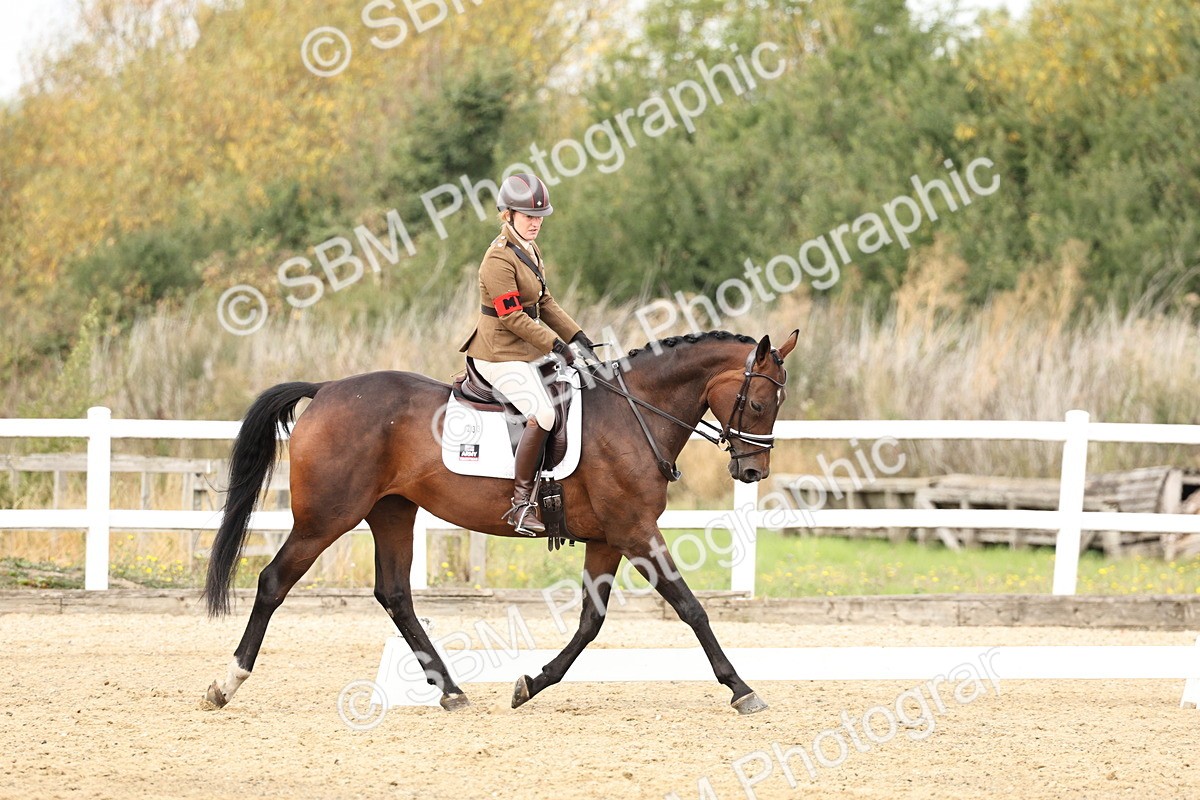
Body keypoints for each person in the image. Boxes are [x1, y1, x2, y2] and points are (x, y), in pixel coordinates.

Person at [459, 173, 598, 535]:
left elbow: (545, 302)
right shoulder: (498, 260)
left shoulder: (530, 249)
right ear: (508, 215)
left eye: (539, 217)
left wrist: (579, 337)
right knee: (544, 414)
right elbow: (513, 316)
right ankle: (521, 504)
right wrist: (556, 346)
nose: (535, 222)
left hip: (525, 352)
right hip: (498, 355)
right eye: (527, 216)